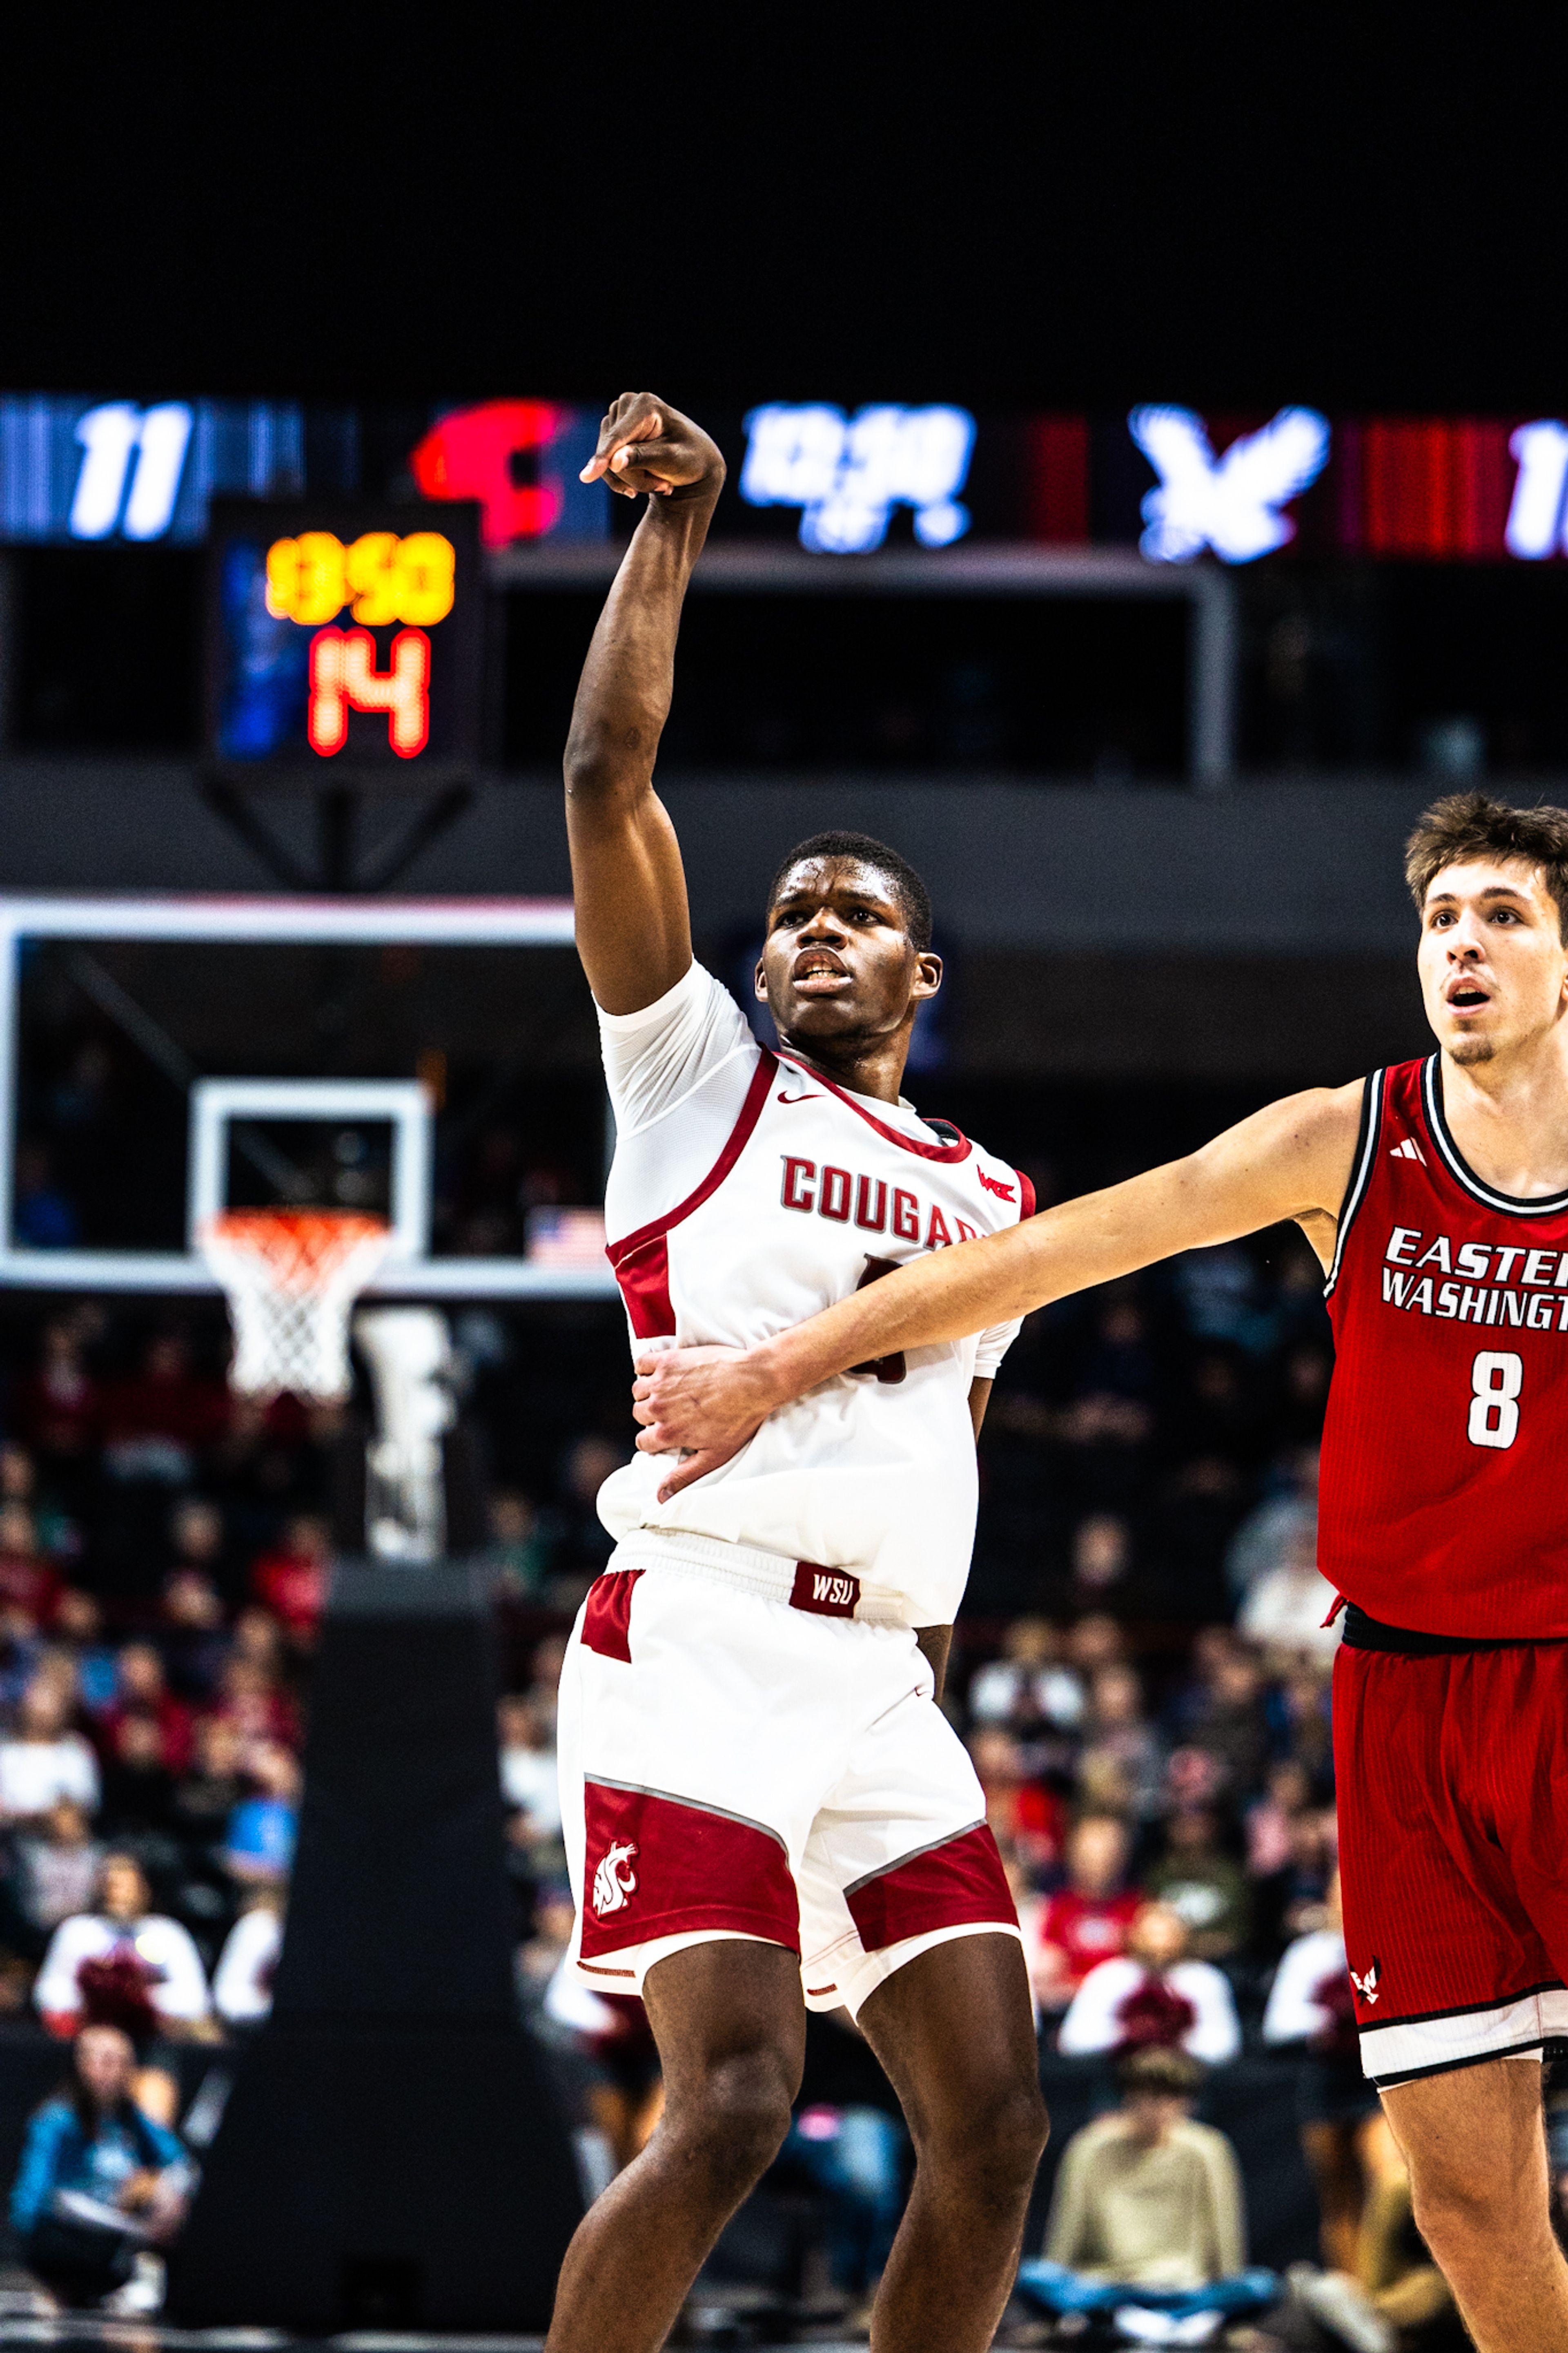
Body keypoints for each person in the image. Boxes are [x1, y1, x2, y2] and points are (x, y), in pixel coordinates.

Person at [636, 790, 1568, 2351]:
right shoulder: (1345, 1135)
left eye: (1504, 916)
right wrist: (778, 1366)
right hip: (1406, 1692)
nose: (1461, 943)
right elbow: (1037, 1256)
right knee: (1469, 2199)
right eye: (1441, 917)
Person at [545, 390, 1047, 2353]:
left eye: (863, 916)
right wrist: (669, 531)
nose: (818, 930)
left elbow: (952, 1446)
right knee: (738, 2098)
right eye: (791, 915)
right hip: (701, 1631)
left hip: (878, 1675)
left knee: (996, 2124)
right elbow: (603, 772)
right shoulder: (690, 1076)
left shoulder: (999, 1195)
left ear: (926, 976)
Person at [1016, 2047, 1276, 2331]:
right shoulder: (1091, 2145)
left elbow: (1225, 2231)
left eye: (1170, 2097)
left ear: (1187, 2102)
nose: (1158, 2107)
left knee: (1261, 2285)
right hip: (1106, 2287)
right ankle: (1170, 2326)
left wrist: (1230, 2300)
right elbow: (1067, 2227)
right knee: (1034, 2276)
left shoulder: (1207, 2148)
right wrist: (1059, 2286)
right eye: (1147, 2095)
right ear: (1127, 2095)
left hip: (1183, 2288)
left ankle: (1131, 2323)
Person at [11, 2022, 189, 2310]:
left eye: (123, 2063)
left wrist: (168, 2194)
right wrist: (134, 2228)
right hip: (66, 2231)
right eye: (106, 2061)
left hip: (115, 2230)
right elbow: (44, 2198)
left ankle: (125, 2282)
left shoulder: (132, 2120)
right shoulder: (59, 2119)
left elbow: (178, 2161)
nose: (114, 2072)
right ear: (83, 2064)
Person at [35, 1852, 212, 2038]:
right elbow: (49, 1990)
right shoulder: (77, 1931)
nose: (119, 1894)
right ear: (99, 1890)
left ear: (144, 1889)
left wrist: (138, 1998)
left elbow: (196, 1996)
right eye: (112, 1887)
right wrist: (101, 1998)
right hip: (92, 2029)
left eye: (128, 1887)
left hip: (156, 2032)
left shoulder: (167, 1932)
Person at [1058, 1900, 1241, 2067]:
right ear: (1134, 1937)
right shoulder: (1110, 1976)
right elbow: (1073, 2040)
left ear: (1184, 1938)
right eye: (1151, 1936)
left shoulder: (1205, 1980)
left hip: (1188, 2079)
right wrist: (1130, 2034)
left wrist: (1173, 2037)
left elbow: (1226, 2046)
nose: (1159, 1945)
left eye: (1169, 1936)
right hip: (1118, 2075)